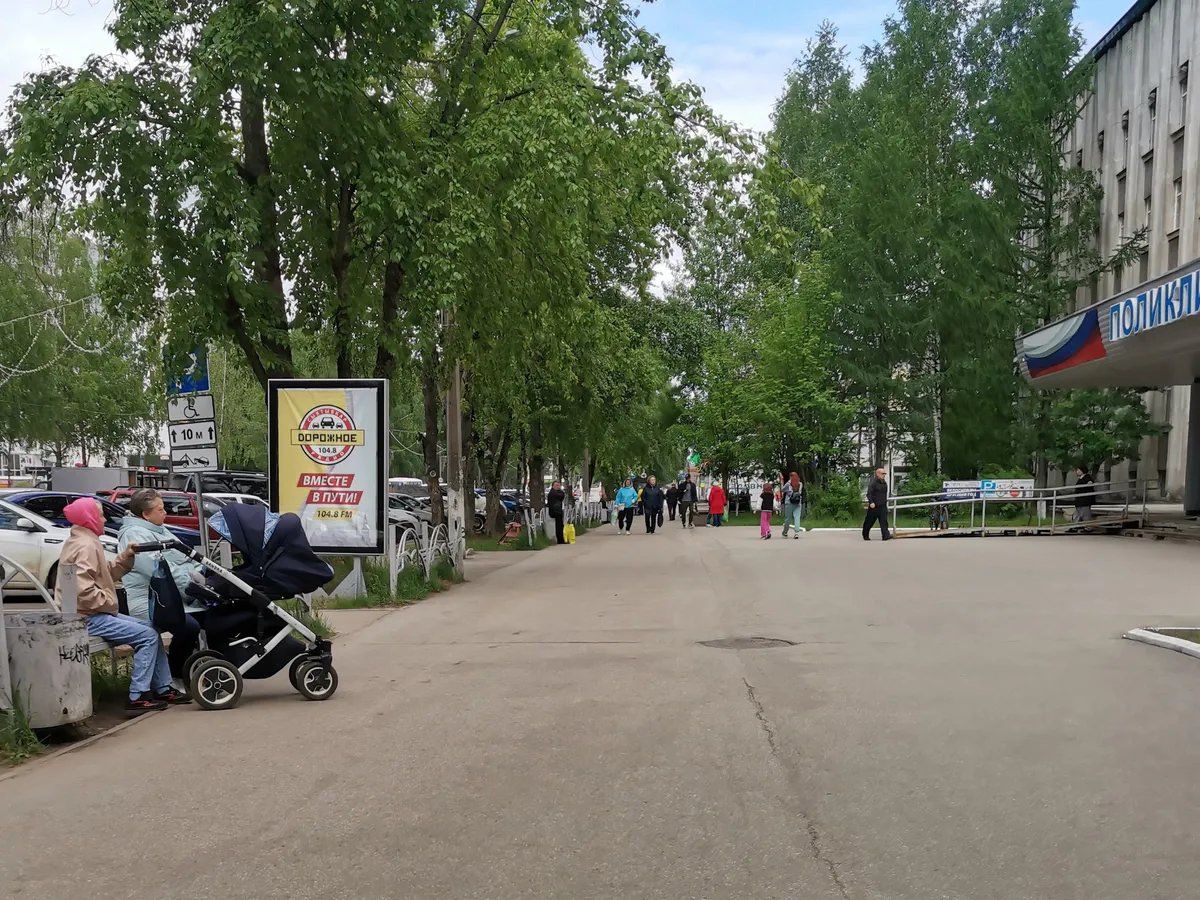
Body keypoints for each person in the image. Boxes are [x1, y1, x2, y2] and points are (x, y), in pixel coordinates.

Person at [56, 498, 191, 713]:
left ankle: (163, 687)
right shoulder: (86, 545)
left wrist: (126, 557)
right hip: (86, 617)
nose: (104, 519)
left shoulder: (83, 540)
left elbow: (105, 574)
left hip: (85, 613)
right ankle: (138, 695)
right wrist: (110, 602)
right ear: (89, 518)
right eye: (100, 515)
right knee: (147, 635)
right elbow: (82, 591)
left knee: (151, 630)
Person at [118, 488, 206, 684]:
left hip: (171, 597)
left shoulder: (159, 529)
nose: (165, 513)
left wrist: (196, 574)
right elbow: (159, 571)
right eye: (160, 509)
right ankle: (175, 676)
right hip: (149, 600)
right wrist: (192, 583)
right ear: (145, 514)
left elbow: (187, 558)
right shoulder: (134, 535)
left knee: (213, 617)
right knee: (188, 627)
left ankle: (204, 669)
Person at [862, 467, 892, 541]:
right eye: (882, 473)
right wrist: (871, 502)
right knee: (869, 521)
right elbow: (869, 494)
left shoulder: (884, 483)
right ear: (877, 474)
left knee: (884, 521)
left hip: (882, 506)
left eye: (884, 474)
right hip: (874, 506)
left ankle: (885, 535)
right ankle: (865, 534)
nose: (884, 475)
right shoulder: (873, 483)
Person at [782, 472, 804, 539]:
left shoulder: (788, 484)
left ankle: (785, 532)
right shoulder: (800, 484)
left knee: (787, 518)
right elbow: (800, 492)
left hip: (789, 502)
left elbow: (783, 489)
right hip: (798, 502)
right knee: (797, 517)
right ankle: (796, 533)